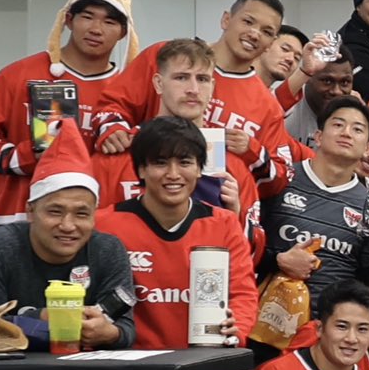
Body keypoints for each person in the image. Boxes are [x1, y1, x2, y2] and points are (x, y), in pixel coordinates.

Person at [95, 0, 293, 199]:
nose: (254, 34)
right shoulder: (165, 56)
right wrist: (113, 128)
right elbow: (112, 104)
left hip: (213, 202)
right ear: (226, 19)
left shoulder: (268, 106)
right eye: (248, 21)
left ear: (271, 43)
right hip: (142, 188)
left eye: (266, 31)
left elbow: (283, 176)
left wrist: (252, 150)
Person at [0, 0, 136, 225]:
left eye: (110, 21)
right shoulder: (19, 74)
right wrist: (26, 156)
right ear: (69, 20)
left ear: (123, 33)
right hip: (18, 220)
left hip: (97, 223)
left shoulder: (128, 91)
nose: (96, 29)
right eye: (87, 17)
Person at [91, 38, 264, 252]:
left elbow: (251, 255)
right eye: (181, 77)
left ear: (212, 87)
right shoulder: (118, 154)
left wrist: (235, 218)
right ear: (158, 83)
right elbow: (89, 238)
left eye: (202, 79)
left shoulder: (232, 167)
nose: (193, 89)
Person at [96, 118, 255, 351]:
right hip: (127, 362)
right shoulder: (105, 223)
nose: (173, 174)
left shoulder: (224, 224)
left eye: (185, 162)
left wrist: (236, 328)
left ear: (199, 169)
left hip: (202, 359)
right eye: (160, 163)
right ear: (141, 169)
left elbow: (242, 293)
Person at [0, 119, 135, 350]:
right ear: (30, 211)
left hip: (85, 369)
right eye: (55, 212)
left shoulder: (107, 250)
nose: (68, 226)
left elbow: (126, 328)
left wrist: (109, 333)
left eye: (81, 214)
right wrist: (43, 319)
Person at [257, 96, 369, 313]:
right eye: (338, 124)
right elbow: (243, 244)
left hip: (329, 325)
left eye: (357, 129)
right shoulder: (281, 178)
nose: (346, 133)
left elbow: (366, 278)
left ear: (368, 148)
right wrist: (278, 260)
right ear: (318, 136)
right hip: (265, 317)